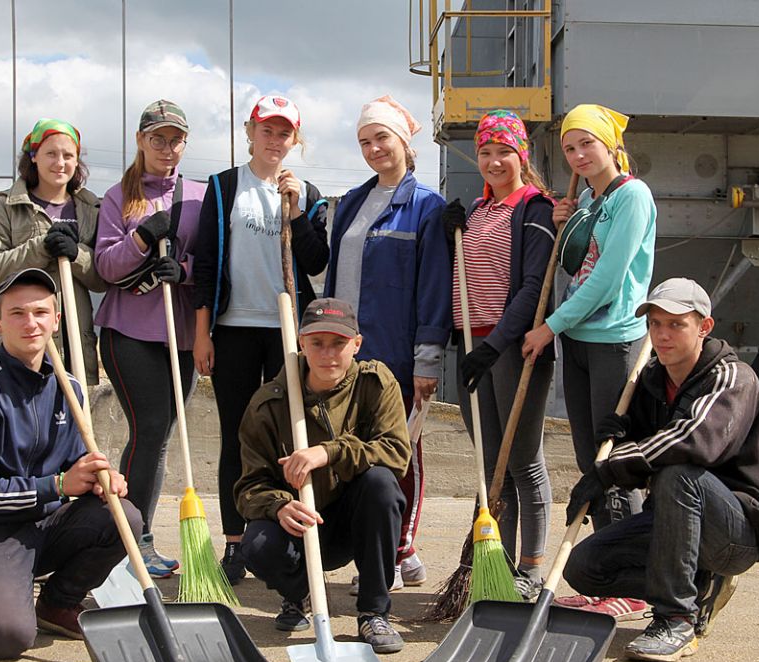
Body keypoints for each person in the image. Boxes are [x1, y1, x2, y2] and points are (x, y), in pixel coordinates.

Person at [562, 278, 759, 662]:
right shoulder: (649, 381)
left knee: (678, 473)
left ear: (704, 327)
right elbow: (647, 449)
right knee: (584, 567)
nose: (662, 335)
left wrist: (611, 468)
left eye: (676, 325)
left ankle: (676, 619)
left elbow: (693, 442)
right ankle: (697, 587)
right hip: (674, 523)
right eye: (655, 325)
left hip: (734, 531)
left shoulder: (733, 378)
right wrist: (623, 433)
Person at [0, 268, 142, 660]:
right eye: (17, 313)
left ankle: (57, 603)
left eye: (40, 313)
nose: (30, 323)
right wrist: (59, 486)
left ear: (57, 320)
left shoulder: (69, 387)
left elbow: (72, 466)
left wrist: (100, 478)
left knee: (124, 517)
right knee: (8, 638)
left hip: (47, 524)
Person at [521, 103, 656, 618]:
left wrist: (548, 326)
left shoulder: (632, 197)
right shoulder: (587, 198)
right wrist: (567, 218)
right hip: (578, 338)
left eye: (587, 145)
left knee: (614, 461)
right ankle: (603, 578)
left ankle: (634, 584)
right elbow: (576, 264)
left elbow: (607, 278)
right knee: (588, 461)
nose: (578, 155)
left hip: (614, 339)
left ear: (610, 146)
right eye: (570, 148)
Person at [192, 95, 329, 583]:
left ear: (295, 140)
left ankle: (279, 532)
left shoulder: (307, 193)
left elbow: (314, 262)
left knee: (290, 433)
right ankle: (234, 540)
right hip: (234, 329)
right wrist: (201, 333)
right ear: (249, 132)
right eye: (266, 130)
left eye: (284, 132)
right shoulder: (225, 186)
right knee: (236, 433)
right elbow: (205, 262)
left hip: (287, 331)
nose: (275, 140)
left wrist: (294, 212)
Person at [235, 298, 411, 653]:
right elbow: (248, 489)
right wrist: (280, 506)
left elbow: (396, 454)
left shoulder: (375, 384)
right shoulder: (268, 404)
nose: (328, 354)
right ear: (301, 343)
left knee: (382, 485)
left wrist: (328, 452)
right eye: (317, 343)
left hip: (355, 520)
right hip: (299, 526)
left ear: (356, 345)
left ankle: (374, 611)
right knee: (255, 545)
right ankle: (299, 594)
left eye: (338, 344)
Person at [324, 95, 450, 590]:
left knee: (400, 451)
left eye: (382, 138)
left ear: (404, 142)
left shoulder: (427, 207)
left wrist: (427, 357)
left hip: (396, 353)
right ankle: (390, 550)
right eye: (364, 141)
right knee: (355, 454)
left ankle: (396, 554)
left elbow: (435, 289)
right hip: (345, 355)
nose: (374, 148)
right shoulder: (353, 201)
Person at [441, 110, 554, 597]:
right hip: (472, 345)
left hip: (511, 348)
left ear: (521, 155)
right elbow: (463, 280)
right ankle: (499, 571)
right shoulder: (479, 212)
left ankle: (531, 569)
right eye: (484, 152)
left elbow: (533, 289)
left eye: (502, 152)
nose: (492, 161)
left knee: (523, 460)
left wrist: (494, 345)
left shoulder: (535, 207)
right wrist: (451, 236)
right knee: (490, 467)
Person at [93, 100, 204, 577]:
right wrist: (141, 239)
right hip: (129, 331)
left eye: (175, 138)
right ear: (140, 140)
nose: (166, 147)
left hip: (181, 335)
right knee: (152, 427)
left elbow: (215, 263)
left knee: (159, 436)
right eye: (157, 138)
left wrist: (182, 269)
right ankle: (132, 540)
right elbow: (105, 266)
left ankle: (128, 535)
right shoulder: (120, 196)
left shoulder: (200, 196)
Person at [0, 118, 105, 388]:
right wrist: (39, 248)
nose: (60, 163)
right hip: (25, 341)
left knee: (76, 424)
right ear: (34, 157)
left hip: (76, 346)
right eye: (51, 153)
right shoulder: (8, 206)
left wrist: (77, 256)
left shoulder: (90, 208)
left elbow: (103, 279)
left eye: (68, 155)